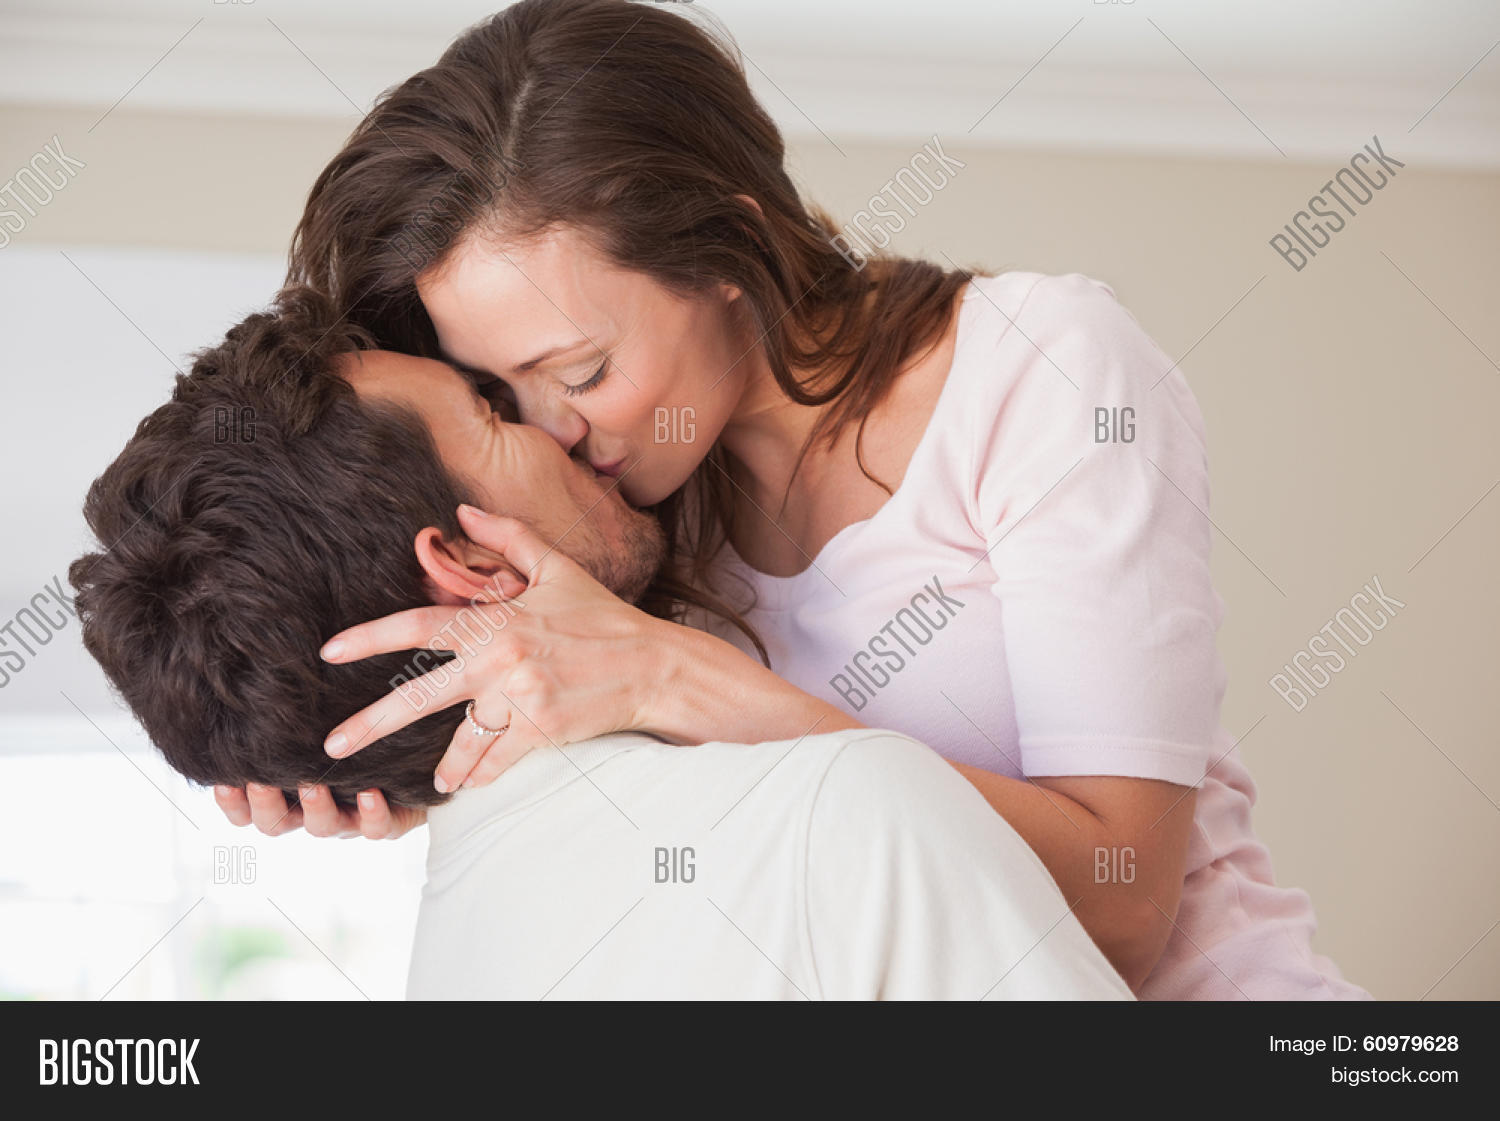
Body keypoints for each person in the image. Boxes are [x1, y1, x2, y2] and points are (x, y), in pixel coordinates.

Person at [250, 0, 1369, 999]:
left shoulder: (1043, 372)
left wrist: (675, 673)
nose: (551, 429)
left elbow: (1125, 910)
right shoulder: (633, 526)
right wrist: (347, 756)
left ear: (728, 246)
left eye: (581, 371)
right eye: (501, 392)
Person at [71, 290, 1132, 1000]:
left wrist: (329, 738)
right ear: (468, 566)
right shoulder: (852, 815)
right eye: (493, 409)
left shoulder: (454, 963)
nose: (564, 425)